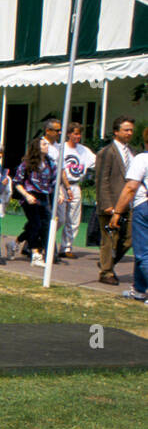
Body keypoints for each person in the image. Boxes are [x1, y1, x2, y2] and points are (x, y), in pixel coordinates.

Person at [94, 115, 136, 285]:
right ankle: (106, 272)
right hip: (111, 204)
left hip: (128, 203)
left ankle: (107, 262)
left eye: (131, 130)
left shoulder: (131, 151)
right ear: (116, 131)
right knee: (109, 239)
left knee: (129, 239)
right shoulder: (107, 152)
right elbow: (101, 179)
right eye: (126, 130)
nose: (129, 133)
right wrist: (107, 205)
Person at [106, 145, 148, 306]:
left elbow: (130, 188)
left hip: (143, 206)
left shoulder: (142, 159)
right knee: (141, 251)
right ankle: (139, 289)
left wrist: (117, 212)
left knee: (143, 253)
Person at [11, 137, 58, 267]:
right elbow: (17, 182)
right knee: (35, 223)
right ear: (37, 147)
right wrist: (26, 195)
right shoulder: (27, 164)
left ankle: (15, 242)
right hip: (29, 197)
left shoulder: (50, 164)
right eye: (44, 144)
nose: (47, 146)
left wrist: (59, 193)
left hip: (43, 197)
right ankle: (36, 254)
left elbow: (54, 181)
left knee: (42, 225)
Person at [55, 123, 95, 260]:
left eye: (79, 134)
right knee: (60, 218)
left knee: (73, 219)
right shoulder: (61, 149)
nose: (78, 136)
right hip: (60, 185)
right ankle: (44, 241)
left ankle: (66, 247)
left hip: (75, 185)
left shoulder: (84, 150)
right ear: (68, 134)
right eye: (75, 133)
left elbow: (96, 162)